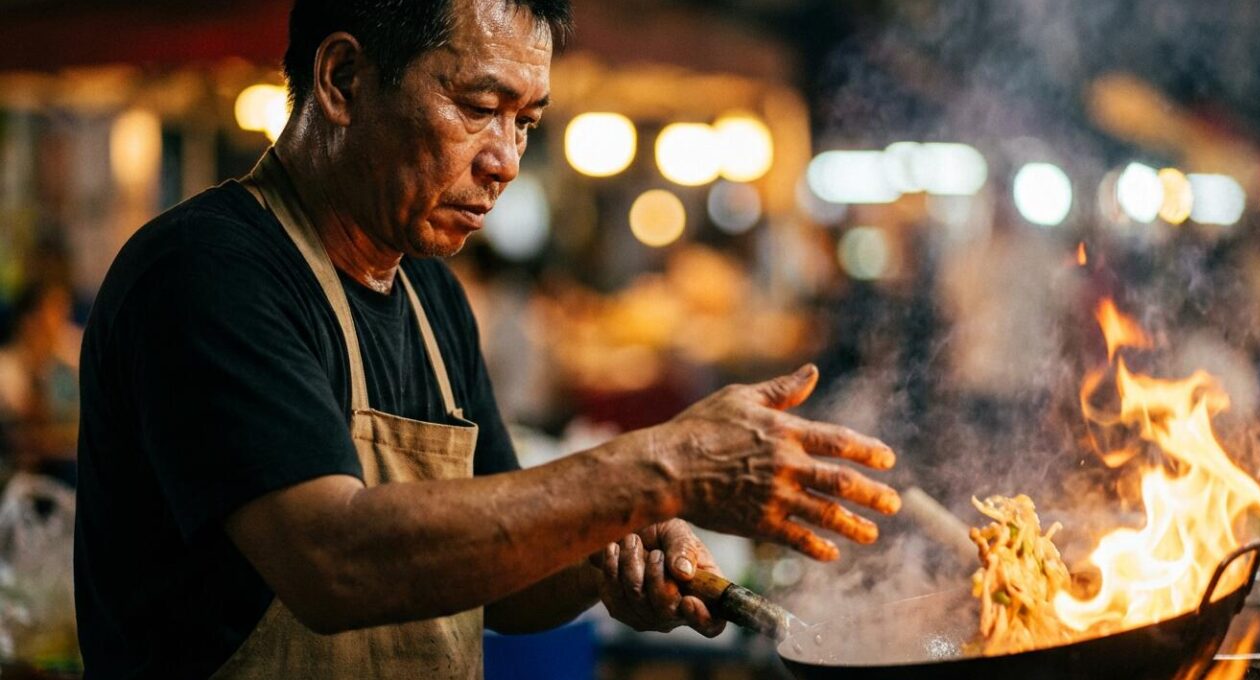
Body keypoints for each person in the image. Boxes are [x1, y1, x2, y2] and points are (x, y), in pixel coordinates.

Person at [73, 1, 901, 678]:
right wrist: (662, 466)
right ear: (343, 78)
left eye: (525, 122)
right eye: (477, 109)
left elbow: (501, 587)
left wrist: (603, 552)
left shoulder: (430, 293)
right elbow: (332, 560)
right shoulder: (207, 271)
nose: (505, 161)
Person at [0, 281, 81, 487]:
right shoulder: (7, 367)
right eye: (53, 314)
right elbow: (28, 426)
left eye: (64, 313)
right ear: (28, 320)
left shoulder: (70, 354)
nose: (60, 325)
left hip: (67, 457)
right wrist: (39, 363)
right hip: (28, 469)